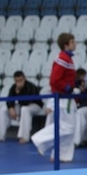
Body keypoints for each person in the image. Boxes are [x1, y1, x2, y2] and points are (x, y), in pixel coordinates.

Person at [31, 33, 78, 162]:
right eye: (72, 42)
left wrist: (74, 84)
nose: (75, 44)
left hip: (66, 97)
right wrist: (68, 88)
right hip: (63, 98)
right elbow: (54, 80)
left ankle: (61, 155)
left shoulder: (67, 59)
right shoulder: (63, 59)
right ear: (66, 45)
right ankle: (39, 139)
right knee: (67, 127)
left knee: (69, 128)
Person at [0, 71, 44, 144]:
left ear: (24, 78)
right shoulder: (13, 87)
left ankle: (24, 137)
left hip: (35, 106)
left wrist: (19, 92)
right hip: (22, 106)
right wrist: (11, 108)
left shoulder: (30, 86)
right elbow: (9, 99)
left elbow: (27, 102)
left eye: (21, 80)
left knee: (24, 109)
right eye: (17, 81)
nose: (19, 82)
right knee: (4, 109)